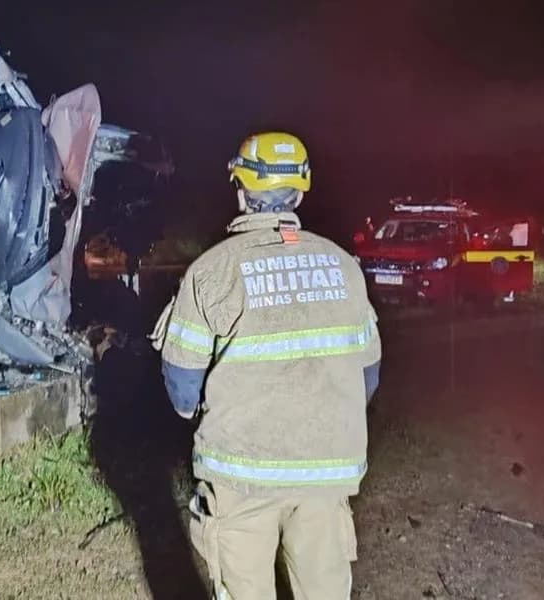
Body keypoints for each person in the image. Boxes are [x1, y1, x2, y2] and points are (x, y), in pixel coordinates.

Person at [154, 132, 382, 599]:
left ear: (241, 190)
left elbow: (181, 391)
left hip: (241, 474)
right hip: (326, 469)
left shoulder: (211, 271)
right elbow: (368, 378)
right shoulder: (344, 267)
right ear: (299, 192)